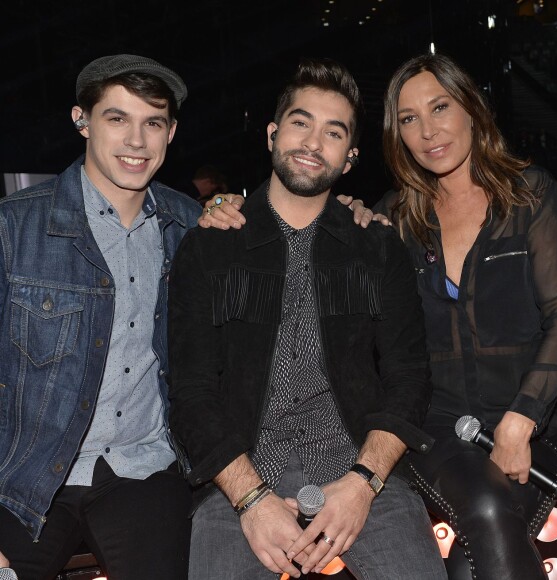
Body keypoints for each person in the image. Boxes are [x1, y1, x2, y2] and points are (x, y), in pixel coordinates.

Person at [167, 57, 447, 580]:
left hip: (361, 479)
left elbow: (409, 377)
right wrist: (251, 500)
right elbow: (191, 393)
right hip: (241, 483)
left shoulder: (377, 247)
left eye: (333, 132)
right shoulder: (210, 249)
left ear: (350, 158)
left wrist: (364, 482)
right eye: (301, 122)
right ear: (273, 134)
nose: (313, 142)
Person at [0, 54, 243, 580]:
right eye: (117, 119)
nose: (136, 140)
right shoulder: (13, 228)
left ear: (171, 132)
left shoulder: (192, 230)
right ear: (81, 120)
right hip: (25, 474)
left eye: (152, 122)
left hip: (144, 469)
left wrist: (360, 213)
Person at [375, 53, 557, 579]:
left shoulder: (530, 194)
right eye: (408, 118)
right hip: (438, 430)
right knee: (487, 509)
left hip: (530, 423)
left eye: (440, 107)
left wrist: (521, 420)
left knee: (471, 566)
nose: (428, 130)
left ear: (471, 108)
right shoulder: (397, 217)